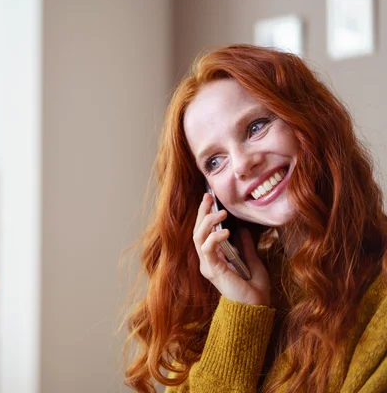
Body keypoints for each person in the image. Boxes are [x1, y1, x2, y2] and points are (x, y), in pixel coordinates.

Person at [123, 44, 387, 392]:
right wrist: (240, 311)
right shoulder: (231, 296)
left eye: (256, 127)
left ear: (309, 119)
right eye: (214, 162)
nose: (243, 164)